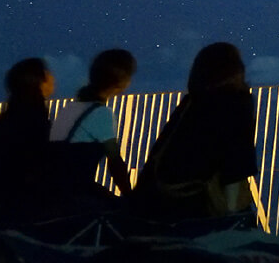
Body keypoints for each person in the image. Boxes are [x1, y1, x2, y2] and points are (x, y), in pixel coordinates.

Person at [132, 42, 258, 221]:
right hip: (196, 204)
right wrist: (232, 214)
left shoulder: (190, 102)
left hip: (155, 201)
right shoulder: (237, 100)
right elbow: (237, 159)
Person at [44, 48, 137, 209]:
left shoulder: (69, 109)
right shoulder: (101, 113)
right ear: (123, 83)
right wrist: (131, 197)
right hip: (72, 196)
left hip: (50, 190)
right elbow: (115, 162)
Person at [0, 58, 54, 215]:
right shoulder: (33, 118)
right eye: (47, 74)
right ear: (39, 81)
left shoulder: (10, 116)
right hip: (12, 205)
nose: (53, 78)